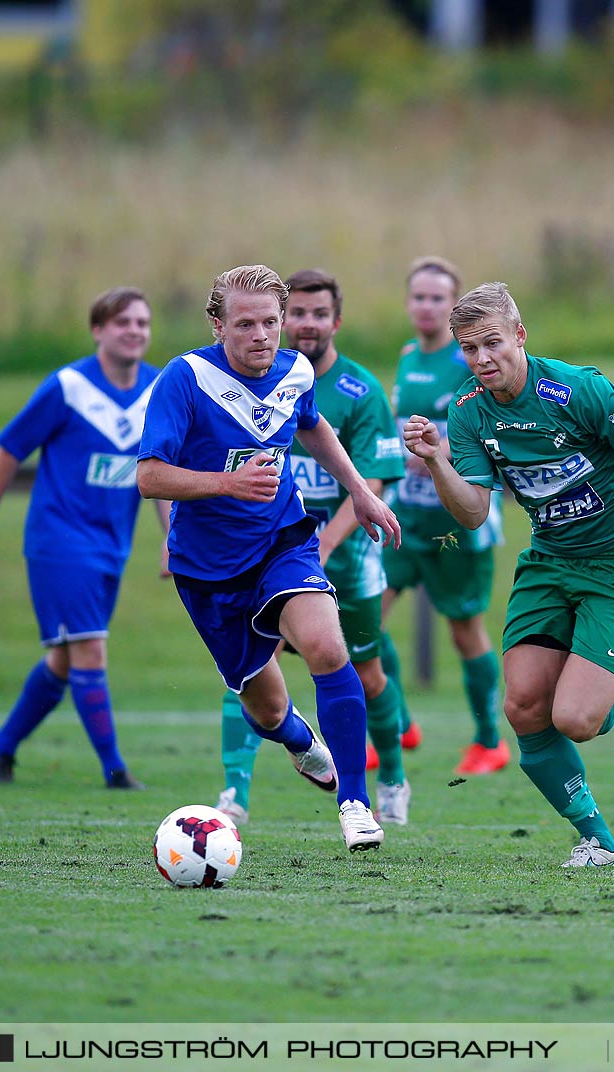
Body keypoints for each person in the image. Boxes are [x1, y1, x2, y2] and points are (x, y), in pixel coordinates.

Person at [403, 282, 614, 868]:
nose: (482, 359)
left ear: (520, 336)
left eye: (493, 343)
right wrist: (435, 461)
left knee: (576, 720)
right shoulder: (468, 412)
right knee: (524, 706)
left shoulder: (575, 389)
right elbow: (474, 510)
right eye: (469, 348)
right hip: (548, 563)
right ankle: (598, 840)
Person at [137, 265, 402, 852]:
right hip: (206, 569)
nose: (262, 336)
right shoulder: (185, 380)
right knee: (265, 707)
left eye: (271, 323)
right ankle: (301, 740)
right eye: (246, 324)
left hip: (284, 540)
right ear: (218, 325)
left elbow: (313, 425)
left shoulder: (295, 370)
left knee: (329, 648)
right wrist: (227, 484)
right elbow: (149, 476)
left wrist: (359, 490)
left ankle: (356, 804)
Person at [216, 269, 410, 828]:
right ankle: (235, 792)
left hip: (346, 562)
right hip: (270, 555)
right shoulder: (245, 384)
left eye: (317, 314)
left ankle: (392, 778)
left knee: (367, 674)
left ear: (335, 321)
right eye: (295, 313)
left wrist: (325, 542)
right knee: (253, 667)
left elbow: (373, 478)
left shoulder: (358, 391)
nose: (305, 324)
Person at [0, 287, 167, 789]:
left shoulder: (158, 388)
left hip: (111, 543)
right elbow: (10, 450)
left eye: (142, 323)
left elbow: (160, 469)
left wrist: (173, 533)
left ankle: (0, 747)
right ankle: (115, 770)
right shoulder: (68, 387)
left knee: (65, 655)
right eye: (122, 322)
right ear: (98, 330)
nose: (134, 331)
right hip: (60, 538)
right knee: (90, 651)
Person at [380, 256, 511, 777]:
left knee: (464, 631)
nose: (427, 306)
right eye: (419, 297)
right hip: (405, 518)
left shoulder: (469, 363)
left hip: (456, 527)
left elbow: (492, 434)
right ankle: (397, 724)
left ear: (455, 308)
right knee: (361, 615)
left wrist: (439, 454)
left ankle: (488, 741)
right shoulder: (408, 356)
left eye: (439, 298)